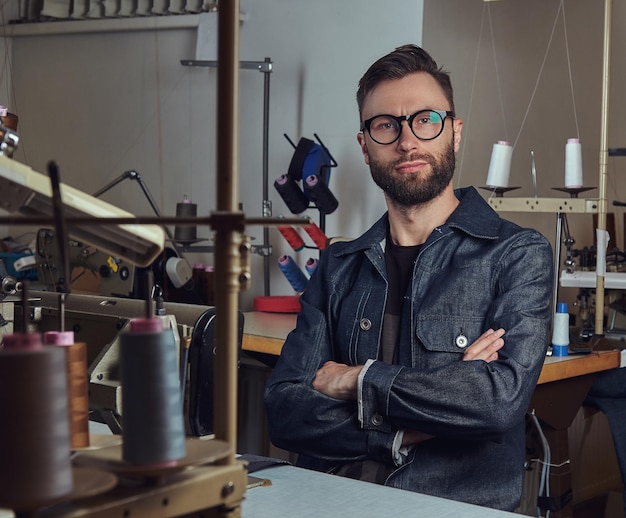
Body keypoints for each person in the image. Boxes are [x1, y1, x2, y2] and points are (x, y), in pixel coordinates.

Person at [264, 44, 553, 512]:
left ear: (454, 133)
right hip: (334, 501)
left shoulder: (516, 255)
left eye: (425, 120)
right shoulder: (338, 266)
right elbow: (284, 412)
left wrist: (359, 379)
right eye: (386, 125)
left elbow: (497, 403)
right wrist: (408, 426)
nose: (407, 141)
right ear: (364, 145)